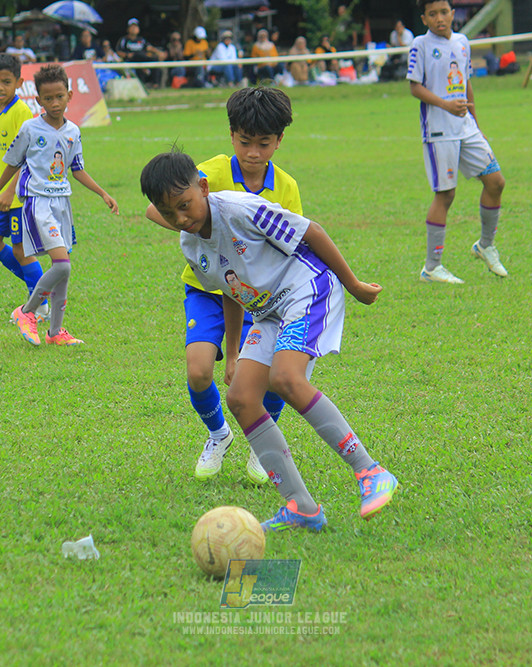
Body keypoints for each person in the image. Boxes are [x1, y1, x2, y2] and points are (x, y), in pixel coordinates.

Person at [140, 149, 400, 532]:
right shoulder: (191, 245)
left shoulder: (241, 209)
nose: (181, 219)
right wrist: (232, 355)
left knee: (286, 379)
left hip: (307, 288)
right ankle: (302, 507)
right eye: (168, 213)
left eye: (185, 205)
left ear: (204, 188)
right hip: (268, 311)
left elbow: (311, 231)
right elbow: (230, 291)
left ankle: (371, 472)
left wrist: (355, 285)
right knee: (241, 398)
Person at [144, 86, 299, 483]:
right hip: (207, 289)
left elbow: (292, 243)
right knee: (198, 371)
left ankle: (261, 445)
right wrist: (192, 230)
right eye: (245, 142)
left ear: (279, 141)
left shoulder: (286, 188)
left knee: (271, 376)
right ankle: (219, 434)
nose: (252, 153)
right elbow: (153, 207)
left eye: (264, 144)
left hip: (260, 299)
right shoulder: (208, 173)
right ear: (231, 134)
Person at [0, 64, 119, 347]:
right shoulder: (30, 129)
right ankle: (27, 312)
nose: (55, 103)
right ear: (39, 100)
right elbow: (12, 164)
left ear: (69, 95)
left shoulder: (73, 131)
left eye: (60, 96)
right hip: (38, 204)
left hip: (62, 205)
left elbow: (77, 169)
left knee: (63, 271)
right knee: (63, 266)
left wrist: (103, 193)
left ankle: (56, 332)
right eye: (48, 98)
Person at [407, 0, 508, 284]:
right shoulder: (420, 45)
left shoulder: (463, 42)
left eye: (444, 12)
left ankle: (485, 245)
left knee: (496, 181)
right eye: (432, 14)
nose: (440, 18)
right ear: (424, 19)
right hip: (439, 131)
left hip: (465, 128)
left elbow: (465, 83)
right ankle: (431, 267)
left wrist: (475, 121)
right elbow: (415, 87)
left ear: (453, 14)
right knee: (446, 195)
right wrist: (446, 105)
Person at [0, 53, 50, 324]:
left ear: (19, 82)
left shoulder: (21, 112)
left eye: (6, 82)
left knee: (21, 250)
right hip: (2, 196)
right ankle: (42, 290)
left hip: (19, 195)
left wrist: (10, 191)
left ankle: (37, 304)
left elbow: (28, 154)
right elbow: (3, 160)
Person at [116, 18, 164, 88]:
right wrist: (127, 55)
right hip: (131, 60)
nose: (134, 29)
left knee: (154, 60)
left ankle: (155, 84)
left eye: (135, 27)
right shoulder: (124, 40)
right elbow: (118, 52)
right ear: (128, 29)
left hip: (143, 58)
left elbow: (149, 48)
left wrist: (159, 53)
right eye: (132, 27)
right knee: (137, 56)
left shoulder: (141, 40)